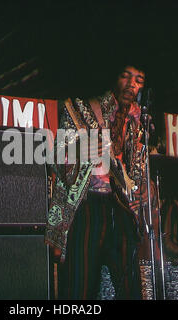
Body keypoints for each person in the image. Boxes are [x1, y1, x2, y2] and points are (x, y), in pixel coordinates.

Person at [45, 62, 153, 299]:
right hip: (86, 207)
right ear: (112, 77)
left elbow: (135, 173)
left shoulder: (136, 123)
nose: (132, 84)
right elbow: (55, 160)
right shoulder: (80, 110)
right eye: (126, 76)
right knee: (79, 288)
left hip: (121, 208)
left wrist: (144, 190)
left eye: (139, 79)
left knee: (131, 288)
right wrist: (79, 151)